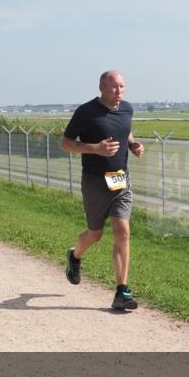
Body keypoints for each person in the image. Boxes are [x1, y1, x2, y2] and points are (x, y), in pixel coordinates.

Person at [61, 70, 145, 311]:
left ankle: (122, 291)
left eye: (122, 86)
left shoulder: (127, 109)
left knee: (123, 229)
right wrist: (94, 148)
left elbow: (125, 129)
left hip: (121, 180)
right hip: (95, 181)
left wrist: (133, 144)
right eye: (114, 87)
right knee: (95, 234)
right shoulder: (86, 112)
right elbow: (66, 143)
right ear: (101, 88)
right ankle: (75, 255)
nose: (119, 91)